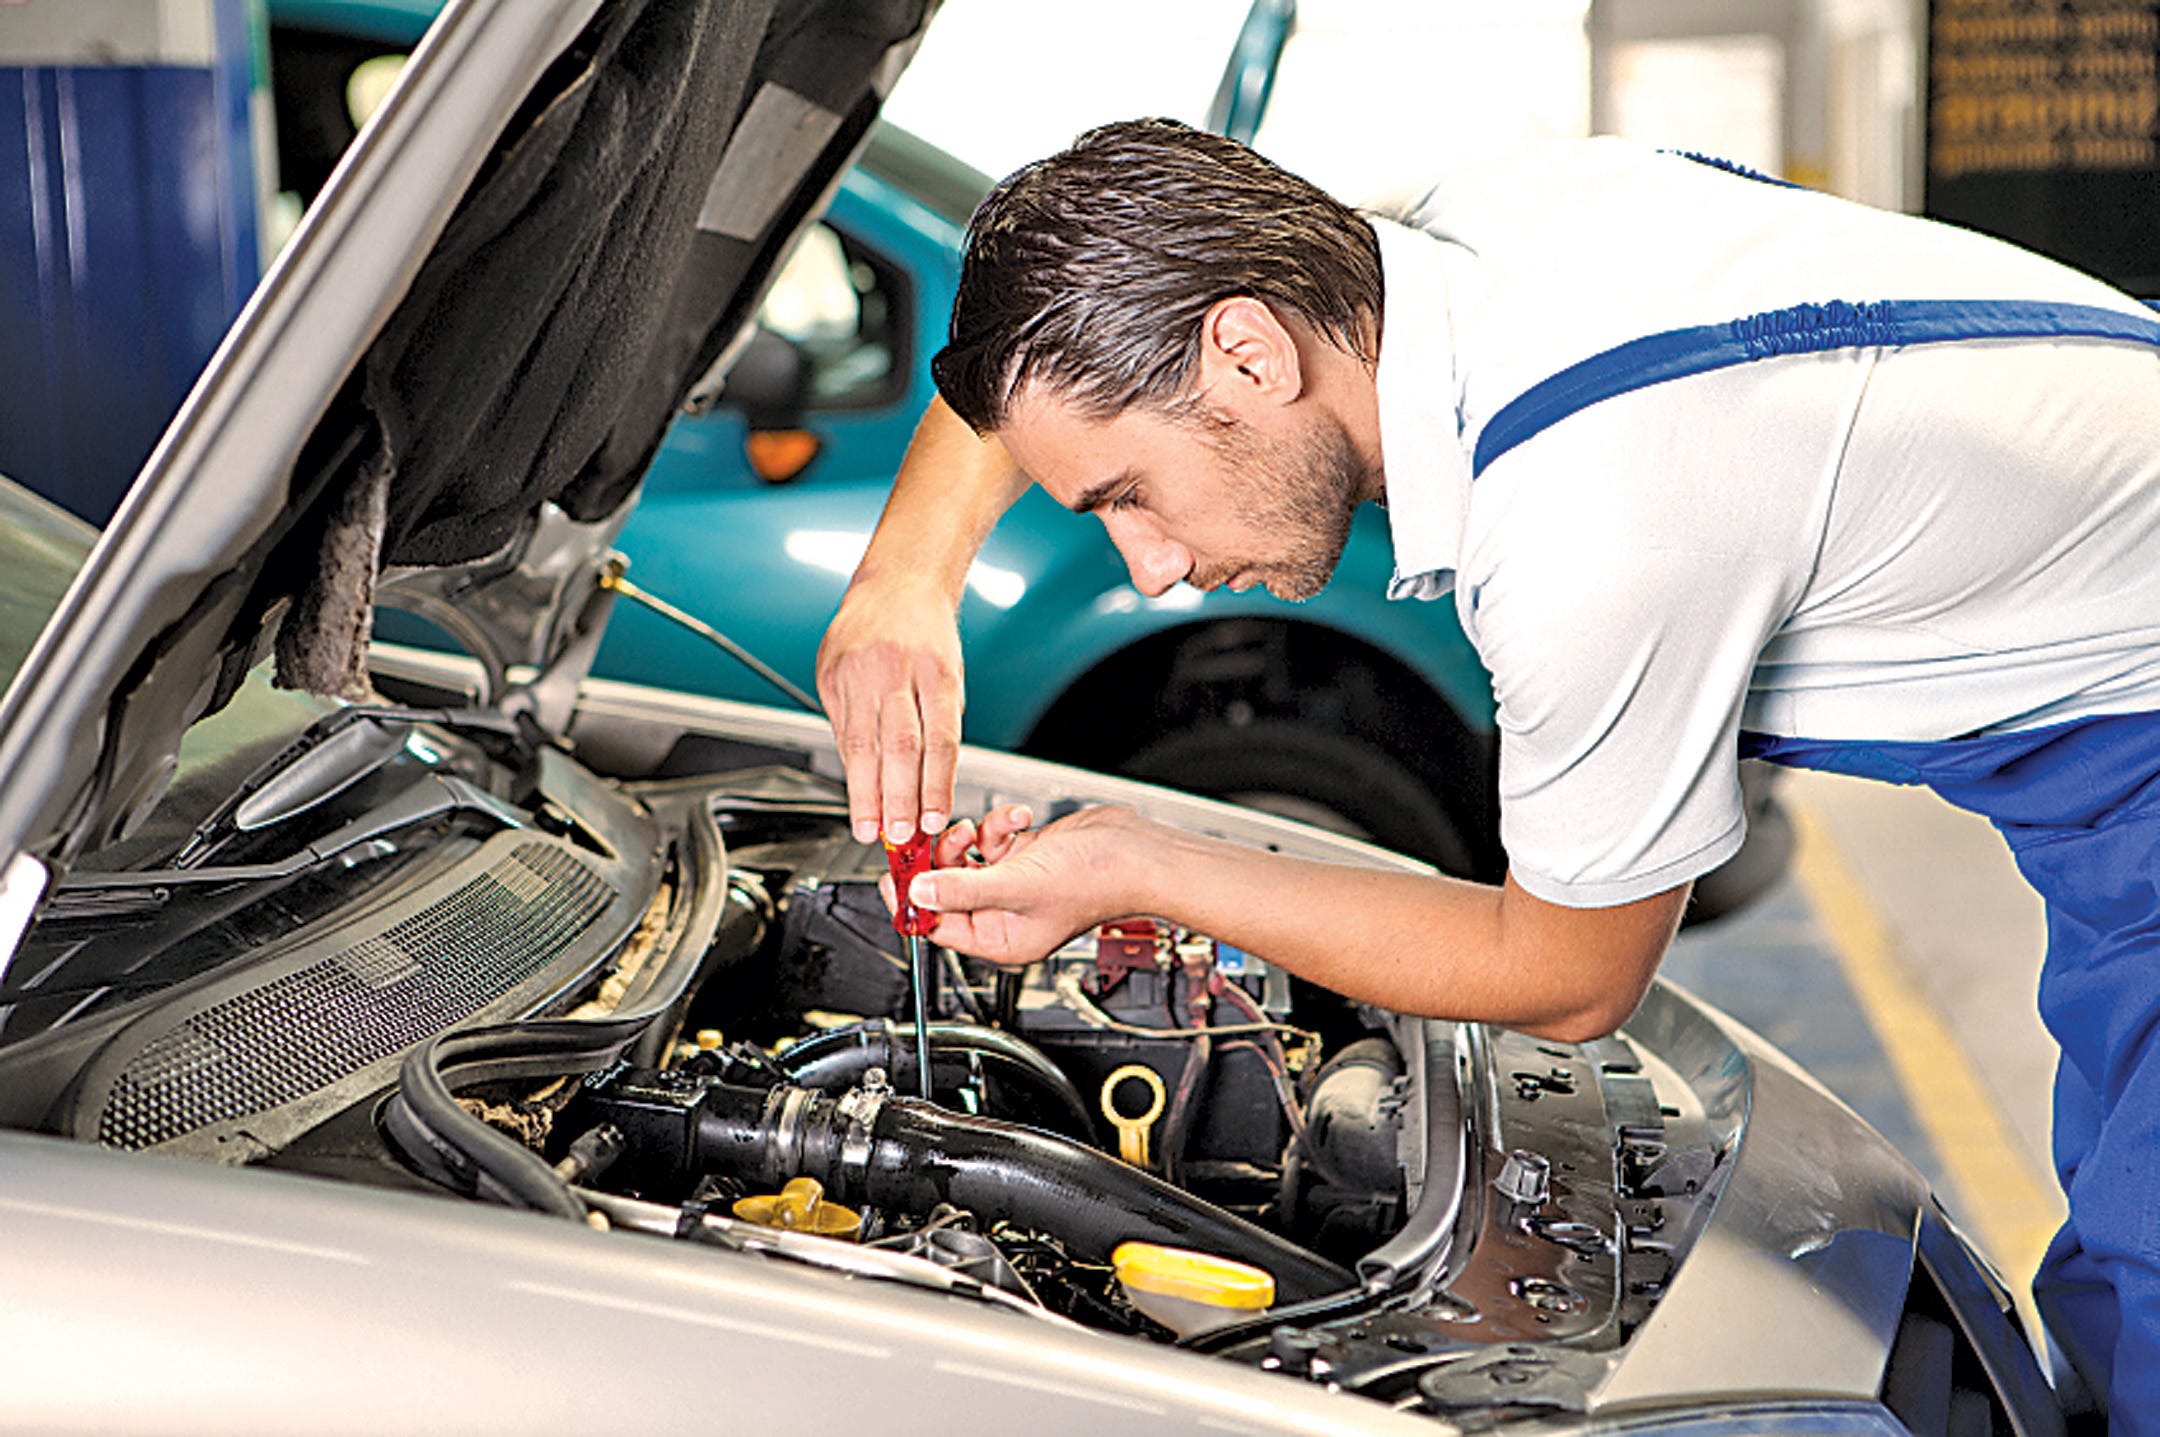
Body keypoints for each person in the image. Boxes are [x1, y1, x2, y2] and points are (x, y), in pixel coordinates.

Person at [814, 118, 2160, 1425]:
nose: (1150, 566)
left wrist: (1140, 861)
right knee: (2117, 1275)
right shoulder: (1441, 232)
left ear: (1245, 355)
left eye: (1129, 493)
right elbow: (1056, 333)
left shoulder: (1594, 511)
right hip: (2102, 760)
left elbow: (1564, 974)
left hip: (2136, 734)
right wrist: (902, 581)